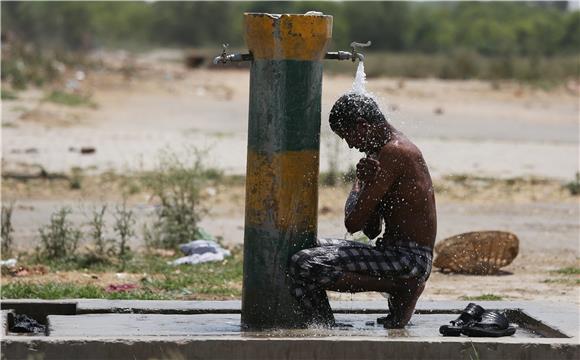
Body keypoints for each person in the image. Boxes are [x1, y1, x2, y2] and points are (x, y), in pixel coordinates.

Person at [288, 93, 437, 328]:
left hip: (409, 260)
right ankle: (325, 328)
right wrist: (366, 184)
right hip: (392, 254)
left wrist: (360, 184)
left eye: (348, 136)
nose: (350, 145)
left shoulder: (395, 152)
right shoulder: (378, 153)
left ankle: (400, 286)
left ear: (363, 126)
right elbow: (371, 229)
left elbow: (352, 224)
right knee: (303, 246)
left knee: (303, 263)